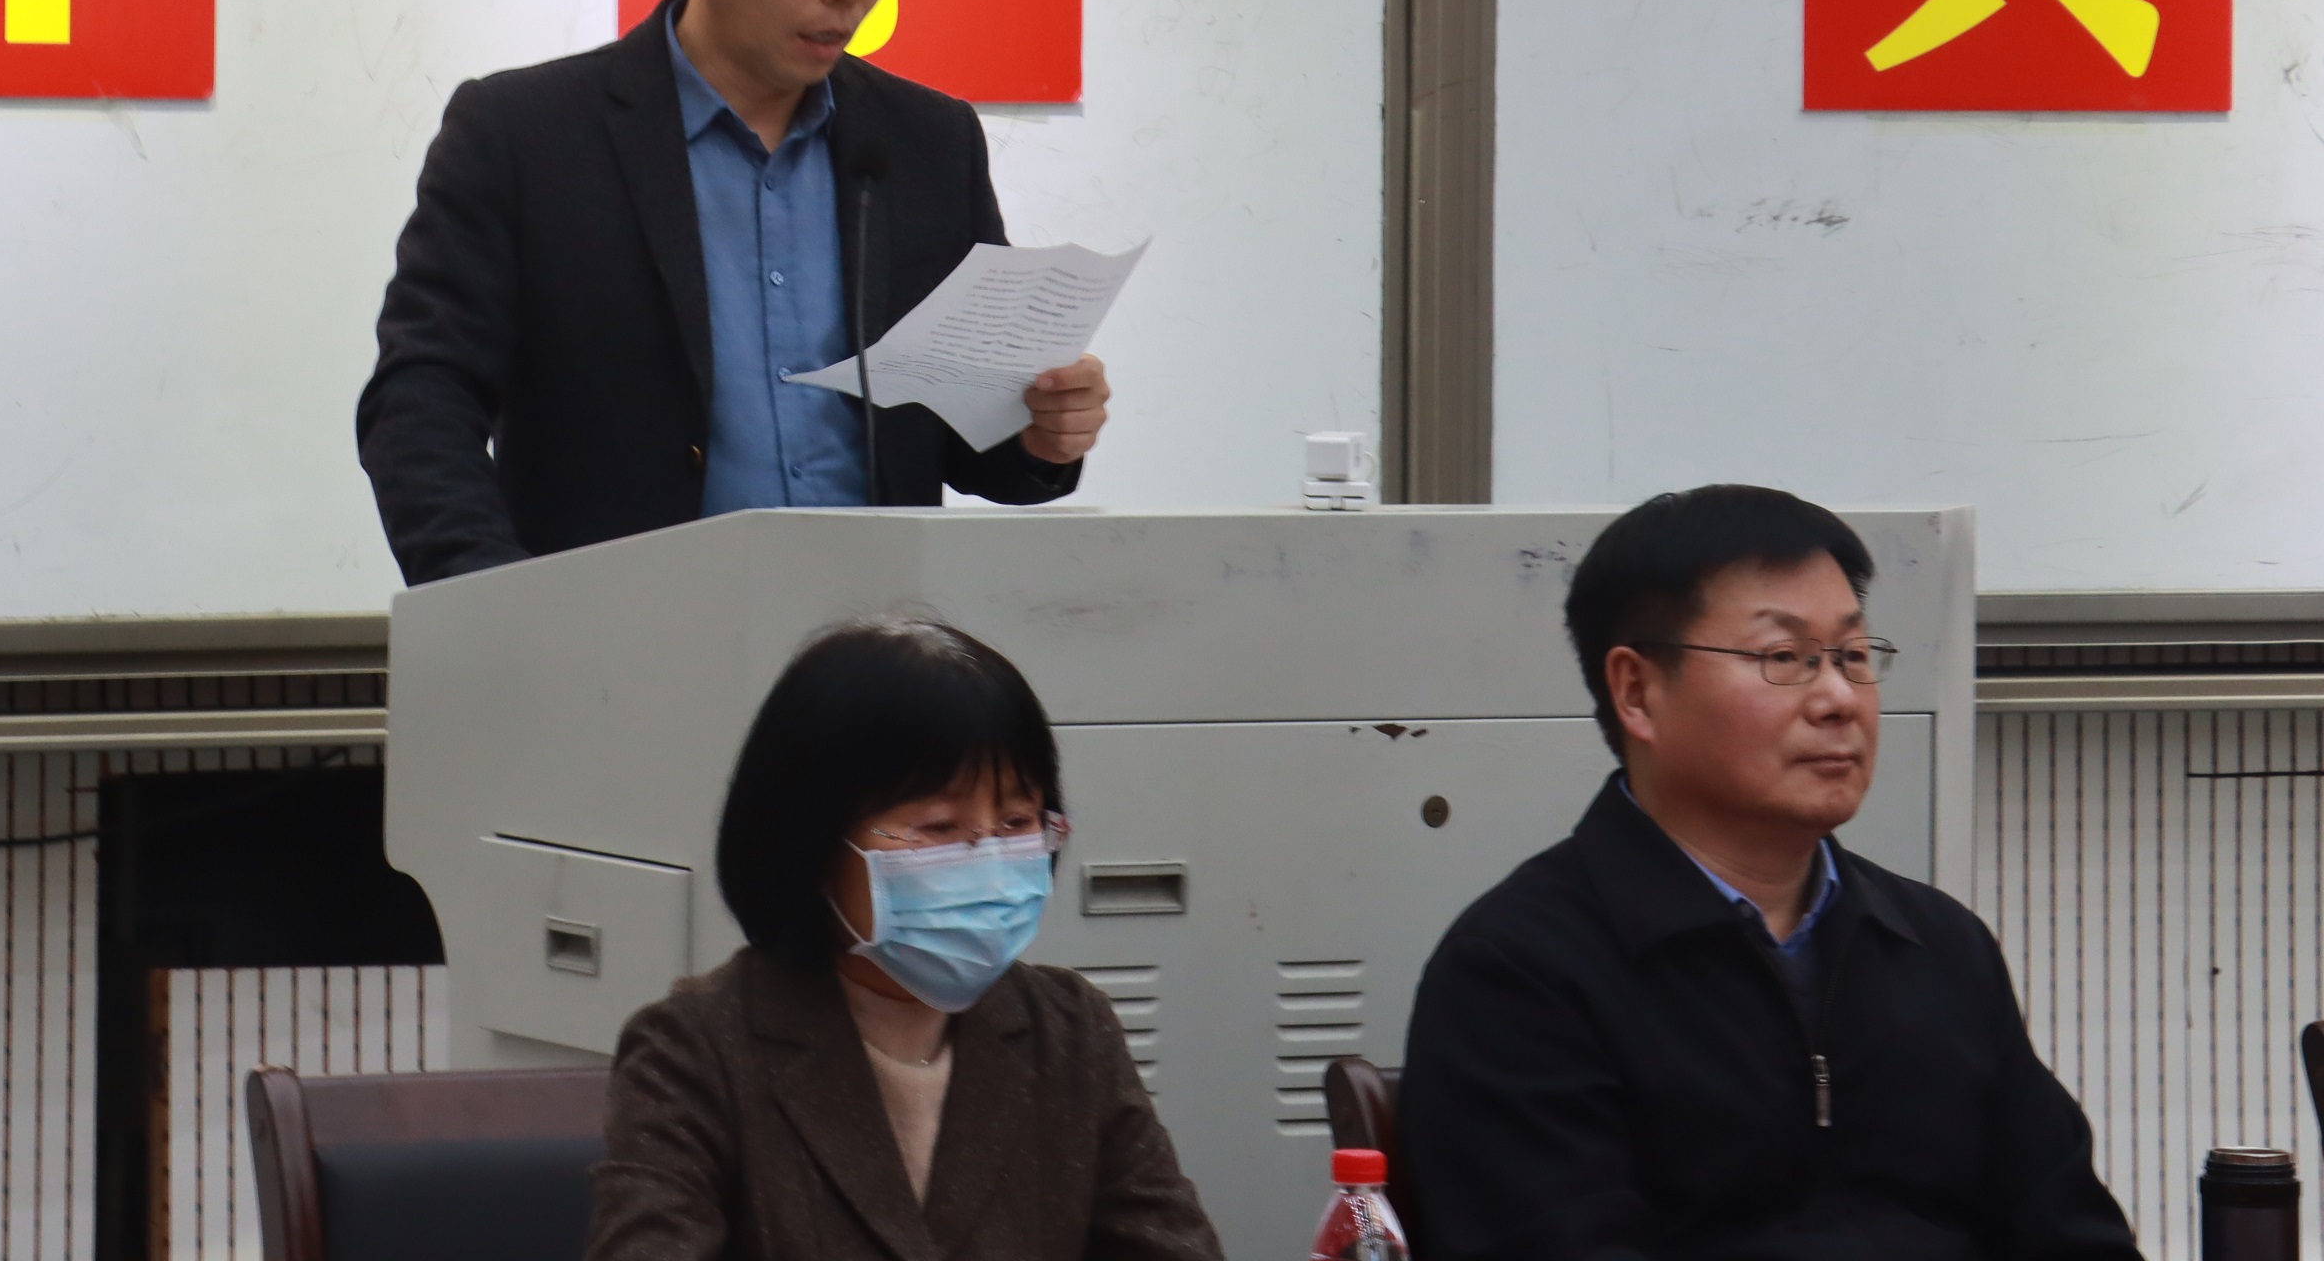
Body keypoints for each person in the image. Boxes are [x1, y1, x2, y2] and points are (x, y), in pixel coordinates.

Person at [358, 0, 1111, 585]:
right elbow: (420, 399)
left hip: (873, 639)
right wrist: (494, 597)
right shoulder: (527, 136)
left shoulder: (926, 142)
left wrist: (1041, 432)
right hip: (622, 635)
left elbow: (971, 441)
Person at [1401, 485, 2139, 1261]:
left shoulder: (1941, 948)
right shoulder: (1518, 973)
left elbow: (2074, 1237)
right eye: (1785, 658)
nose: (1839, 699)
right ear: (1637, 692)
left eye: (1853, 656)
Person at [587, 617, 1225, 1261]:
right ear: (815, 844)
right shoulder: (696, 1049)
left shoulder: (1069, 1033)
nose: (988, 862)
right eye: (940, 827)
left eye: (1016, 822)